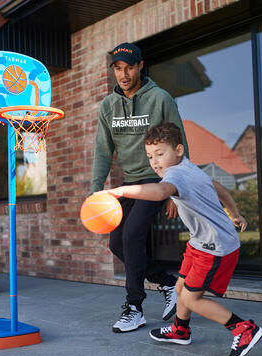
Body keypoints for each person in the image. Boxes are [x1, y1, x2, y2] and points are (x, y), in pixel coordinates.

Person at [103, 122, 262, 356]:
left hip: (215, 246)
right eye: (150, 156)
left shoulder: (176, 175)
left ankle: (243, 329)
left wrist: (122, 191)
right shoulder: (190, 168)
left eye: (160, 154)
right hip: (200, 243)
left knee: (190, 298)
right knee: (180, 288)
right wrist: (235, 213)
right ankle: (181, 329)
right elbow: (218, 187)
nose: (155, 161)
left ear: (178, 150)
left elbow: (159, 193)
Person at [90, 42, 190, 333]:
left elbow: (180, 143)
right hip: (130, 183)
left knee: (132, 236)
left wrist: (177, 188)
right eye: (118, 69)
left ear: (140, 66)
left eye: (129, 67)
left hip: (158, 180)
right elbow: (102, 151)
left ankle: (134, 307)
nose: (123, 74)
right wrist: (96, 190)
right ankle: (167, 281)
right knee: (117, 243)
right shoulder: (108, 106)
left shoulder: (161, 98)